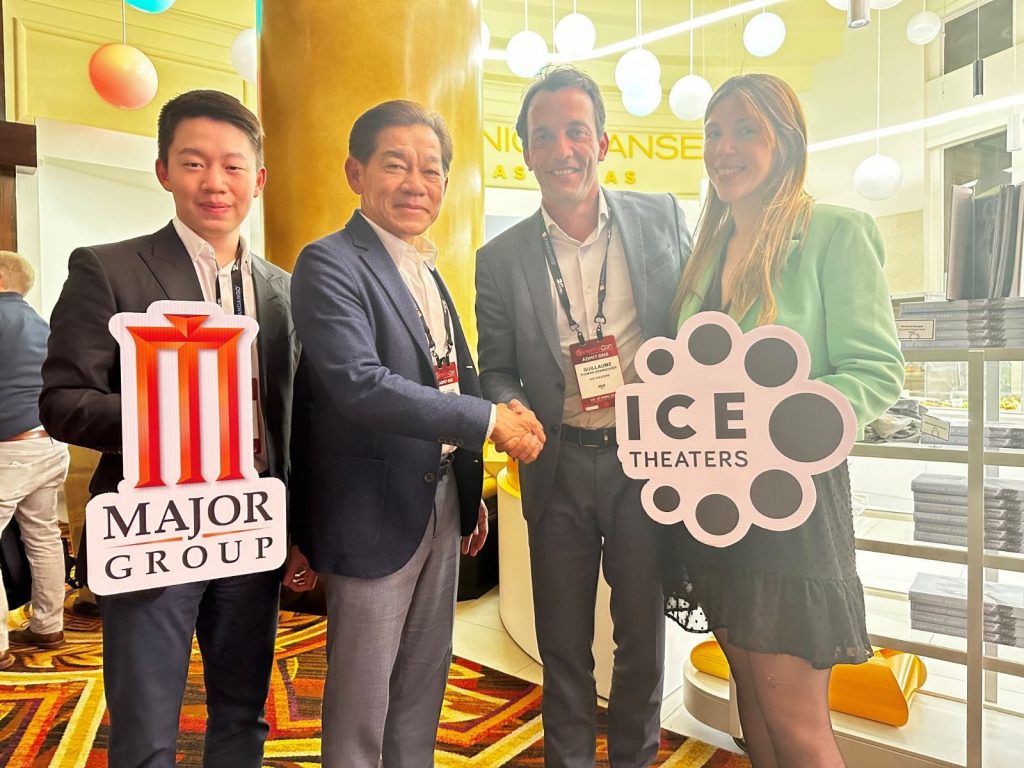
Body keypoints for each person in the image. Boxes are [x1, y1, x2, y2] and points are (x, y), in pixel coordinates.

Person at [39, 90, 299, 768]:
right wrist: (176, 421)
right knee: (146, 728)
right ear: (162, 171)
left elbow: (289, 418)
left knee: (243, 714)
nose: (215, 182)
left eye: (233, 166)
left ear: (258, 179)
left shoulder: (284, 290)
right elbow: (63, 402)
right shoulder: (108, 268)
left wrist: (301, 524)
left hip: (250, 529)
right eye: (194, 163)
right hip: (154, 530)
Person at [288, 99, 545, 768]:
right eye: (396, 165)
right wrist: (491, 422)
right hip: (371, 510)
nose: (416, 184)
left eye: (431, 171)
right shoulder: (329, 262)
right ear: (356, 173)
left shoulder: (425, 267)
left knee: (424, 677)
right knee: (363, 693)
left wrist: (468, 487)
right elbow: (361, 384)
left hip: (439, 501)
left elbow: (452, 376)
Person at [667, 74, 904, 768]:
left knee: (796, 722)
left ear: (788, 142)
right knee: (752, 704)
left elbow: (875, 371)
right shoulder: (707, 253)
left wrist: (779, 420)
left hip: (789, 506)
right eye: (714, 132)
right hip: (718, 503)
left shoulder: (834, 232)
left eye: (747, 130)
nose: (724, 148)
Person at [475, 65, 692, 768]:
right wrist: (508, 400)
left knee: (641, 638)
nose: (562, 149)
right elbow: (494, 364)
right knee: (563, 642)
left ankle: (634, 758)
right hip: (558, 464)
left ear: (601, 141)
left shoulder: (660, 217)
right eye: (544, 136)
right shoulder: (500, 258)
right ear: (526, 151)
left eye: (576, 131)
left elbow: (699, 318)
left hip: (645, 459)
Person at [0, 251, 70, 670]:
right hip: (50, 444)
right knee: (42, 534)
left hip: (10, 450)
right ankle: (48, 625)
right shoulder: (41, 323)